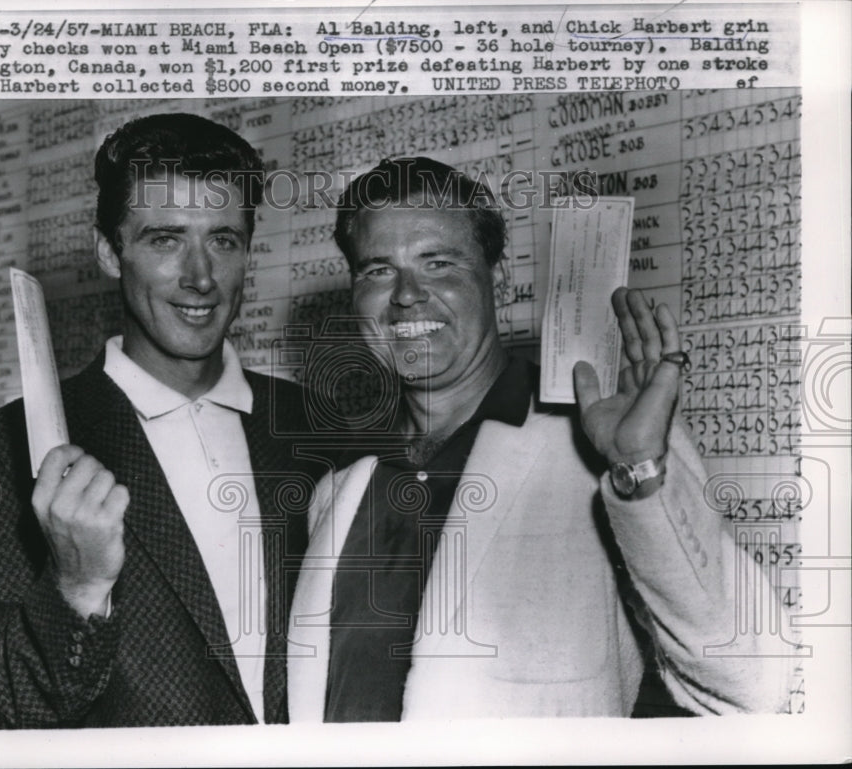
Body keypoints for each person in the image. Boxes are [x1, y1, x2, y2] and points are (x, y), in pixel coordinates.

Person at [287, 157, 794, 720]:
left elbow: (751, 681)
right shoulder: (337, 490)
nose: (406, 295)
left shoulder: (594, 452)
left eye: (439, 263)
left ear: (496, 278)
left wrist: (641, 472)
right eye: (377, 271)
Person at [0, 113, 319, 727]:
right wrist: (76, 586)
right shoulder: (7, 448)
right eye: (165, 239)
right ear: (109, 250)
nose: (201, 277)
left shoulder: (314, 429)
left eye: (224, 240)